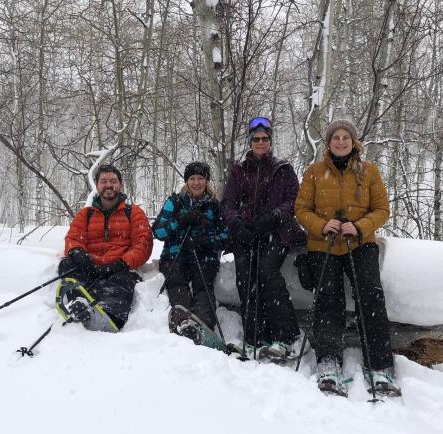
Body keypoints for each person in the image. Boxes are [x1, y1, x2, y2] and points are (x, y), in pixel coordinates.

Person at [294, 119, 400, 396]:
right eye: (335, 138)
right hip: (323, 244)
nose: (340, 142)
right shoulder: (315, 172)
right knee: (328, 300)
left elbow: (382, 209)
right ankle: (329, 361)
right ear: (328, 144)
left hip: (359, 243)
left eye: (345, 137)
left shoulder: (369, 172)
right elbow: (302, 208)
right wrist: (321, 224)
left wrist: (360, 226)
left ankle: (380, 364)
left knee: (371, 297)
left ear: (354, 142)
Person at [222, 116, 306, 359]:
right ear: (250, 141)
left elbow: (293, 201)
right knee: (245, 276)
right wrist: (237, 223)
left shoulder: (283, 169)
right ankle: (254, 336)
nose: (260, 142)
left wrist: (272, 217)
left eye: (264, 139)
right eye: (256, 139)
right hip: (246, 232)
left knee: (268, 272)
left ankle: (286, 335)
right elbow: (228, 202)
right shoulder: (239, 170)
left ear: (270, 141)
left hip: (276, 231)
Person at [58, 164, 153, 331]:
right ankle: (79, 303)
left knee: (119, 284)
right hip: (89, 265)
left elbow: (143, 244)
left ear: (121, 184)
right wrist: (78, 252)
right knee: (67, 266)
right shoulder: (85, 214)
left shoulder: (134, 212)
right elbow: (73, 238)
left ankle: (109, 315)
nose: (109, 185)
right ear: (97, 185)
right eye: (104, 181)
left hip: (119, 268)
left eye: (113, 181)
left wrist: (120, 263)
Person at [152, 161, 228, 339]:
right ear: (186, 181)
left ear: (207, 180)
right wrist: (180, 220)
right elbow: (158, 231)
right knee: (177, 281)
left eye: (200, 178)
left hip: (204, 256)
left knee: (203, 286)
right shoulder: (175, 202)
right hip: (175, 255)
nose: (196, 183)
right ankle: (183, 320)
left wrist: (206, 241)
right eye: (192, 178)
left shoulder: (215, 206)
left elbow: (225, 236)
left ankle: (202, 323)